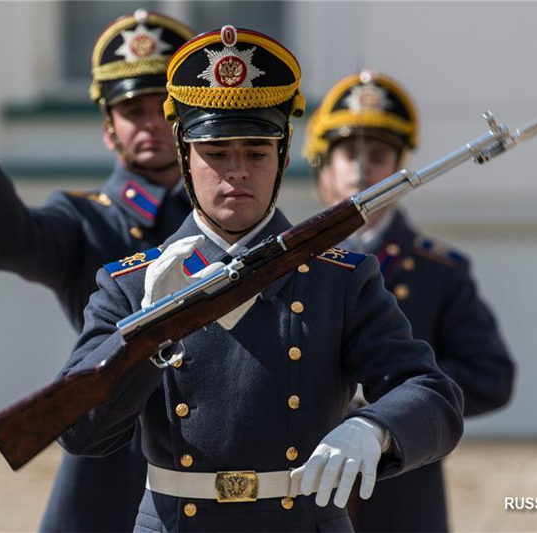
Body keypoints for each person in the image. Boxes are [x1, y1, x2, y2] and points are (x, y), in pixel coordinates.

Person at [58, 26, 465, 532]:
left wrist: (374, 427)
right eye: (217, 152)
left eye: (256, 152)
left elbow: (432, 395)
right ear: (186, 158)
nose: (237, 172)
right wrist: (145, 332)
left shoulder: (340, 279)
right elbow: (80, 432)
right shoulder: (132, 284)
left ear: (283, 160)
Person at [0, 10, 194, 532]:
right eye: (132, 109)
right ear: (109, 130)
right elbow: (11, 240)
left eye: (162, 107)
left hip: (214, 448)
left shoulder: (222, 219)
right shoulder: (87, 218)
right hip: (114, 457)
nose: (150, 122)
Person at [303, 71, 515, 532]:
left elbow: (490, 376)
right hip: (304, 494)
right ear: (324, 164)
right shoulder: (293, 265)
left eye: (378, 155)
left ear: (400, 166)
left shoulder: (441, 271)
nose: (361, 169)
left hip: (402, 491)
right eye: (347, 154)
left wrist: (392, 405)